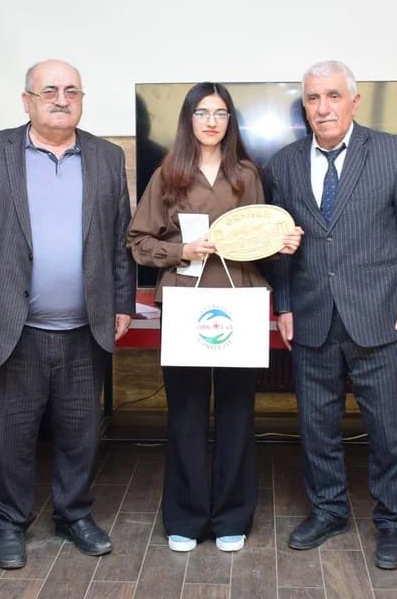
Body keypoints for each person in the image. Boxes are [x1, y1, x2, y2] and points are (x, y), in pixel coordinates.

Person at [0, 59, 135, 570]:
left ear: (82, 100)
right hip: (14, 327)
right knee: (11, 435)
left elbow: (119, 240)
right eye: (49, 90)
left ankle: (74, 515)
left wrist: (122, 302)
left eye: (72, 91)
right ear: (26, 100)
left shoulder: (106, 156)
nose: (61, 99)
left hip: (85, 328)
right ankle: (10, 523)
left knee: (80, 433)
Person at [265, 60, 397, 571]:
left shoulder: (395, 153)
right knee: (316, 427)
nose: (323, 108)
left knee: (388, 432)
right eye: (313, 98)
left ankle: (394, 523)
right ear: (305, 106)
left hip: (380, 317)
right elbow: (280, 241)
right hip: (312, 315)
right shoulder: (284, 164)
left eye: (333, 96)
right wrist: (284, 303)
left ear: (354, 101)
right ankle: (329, 511)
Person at [127, 82, 302, 554]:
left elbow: (262, 241)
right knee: (185, 413)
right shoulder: (167, 175)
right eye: (202, 112)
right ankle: (185, 518)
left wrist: (282, 242)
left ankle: (231, 517)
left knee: (236, 412)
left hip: (239, 302)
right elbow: (138, 241)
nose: (211, 121)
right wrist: (181, 250)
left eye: (220, 113)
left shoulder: (247, 175)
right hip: (185, 303)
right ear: (188, 120)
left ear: (230, 121)